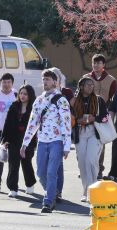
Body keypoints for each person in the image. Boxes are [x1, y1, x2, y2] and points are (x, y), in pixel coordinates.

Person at [20, 69, 71, 213]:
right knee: (41, 172)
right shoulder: (39, 100)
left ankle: (48, 201)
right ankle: (53, 191)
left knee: (51, 172)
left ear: (55, 82)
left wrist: (66, 145)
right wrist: (25, 143)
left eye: (48, 79)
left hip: (56, 141)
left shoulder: (61, 100)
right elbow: (32, 122)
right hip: (42, 141)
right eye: (44, 79)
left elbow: (66, 124)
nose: (45, 82)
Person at [72, 77, 108, 202]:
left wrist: (95, 118)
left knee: (91, 161)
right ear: (81, 86)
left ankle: (93, 191)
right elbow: (69, 118)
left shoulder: (99, 100)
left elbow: (105, 118)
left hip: (94, 133)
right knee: (82, 163)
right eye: (88, 85)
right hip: (80, 133)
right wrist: (77, 120)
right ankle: (85, 191)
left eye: (92, 85)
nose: (91, 87)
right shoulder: (74, 101)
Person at [83, 54, 117, 179]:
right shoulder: (85, 78)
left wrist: (109, 116)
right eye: (94, 63)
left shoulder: (111, 80)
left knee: (99, 143)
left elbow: (114, 100)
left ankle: (98, 170)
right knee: (84, 141)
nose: (96, 65)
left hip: (102, 116)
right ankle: (85, 168)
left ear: (103, 65)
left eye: (99, 63)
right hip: (86, 115)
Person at [0, 85, 37, 198]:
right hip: (14, 139)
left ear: (30, 95)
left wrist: (34, 142)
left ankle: (30, 184)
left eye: (25, 94)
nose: (22, 96)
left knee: (26, 163)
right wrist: (5, 139)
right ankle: (13, 188)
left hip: (28, 140)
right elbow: (7, 124)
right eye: (21, 93)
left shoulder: (34, 107)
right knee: (13, 164)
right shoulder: (14, 106)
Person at [50, 67, 74, 202]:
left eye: (55, 78)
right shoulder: (46, 94)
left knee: (58, 164)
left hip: (61, 133)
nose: (53, 81)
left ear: (59, 80)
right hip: (47, 134)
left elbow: (73, 108)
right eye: (49, 78)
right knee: (48, 165)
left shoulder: (66, 92)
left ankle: (57, 191)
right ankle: (51, 189)